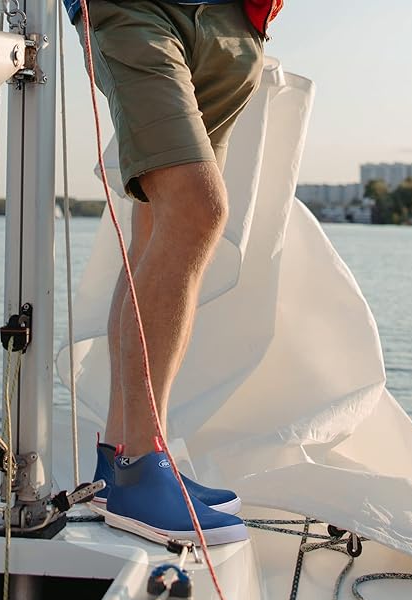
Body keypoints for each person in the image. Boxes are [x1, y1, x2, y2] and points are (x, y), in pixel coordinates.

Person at [64, 0, 283, 545]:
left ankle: (122, 461)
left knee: (157, 229)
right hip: (136, 9)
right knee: (195, 209)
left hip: (234, 23)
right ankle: (142, 463)